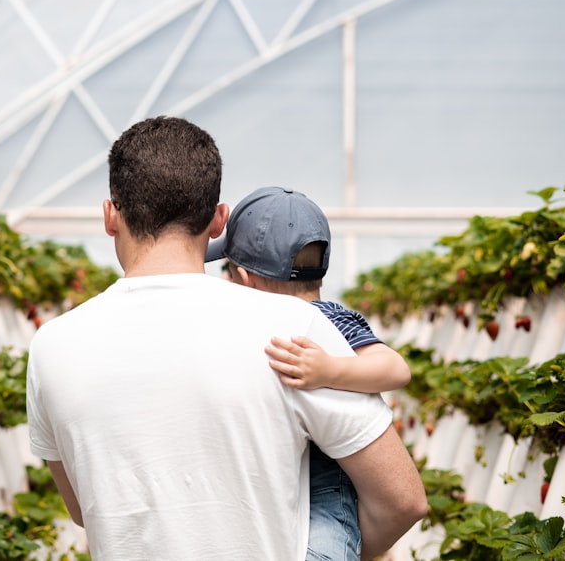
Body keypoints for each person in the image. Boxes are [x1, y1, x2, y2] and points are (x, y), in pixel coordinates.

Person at [26, 116, 427, 560]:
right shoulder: (295, 331)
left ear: (109, 216)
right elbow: (403, 500)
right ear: (219, 220)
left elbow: (85, 507)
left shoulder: (52, 346)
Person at [206, 185, 413, 561]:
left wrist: (330, 369)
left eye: (230, 274)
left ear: (244, 279)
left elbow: (395, 369)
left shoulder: (332, 324)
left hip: (328, 483)